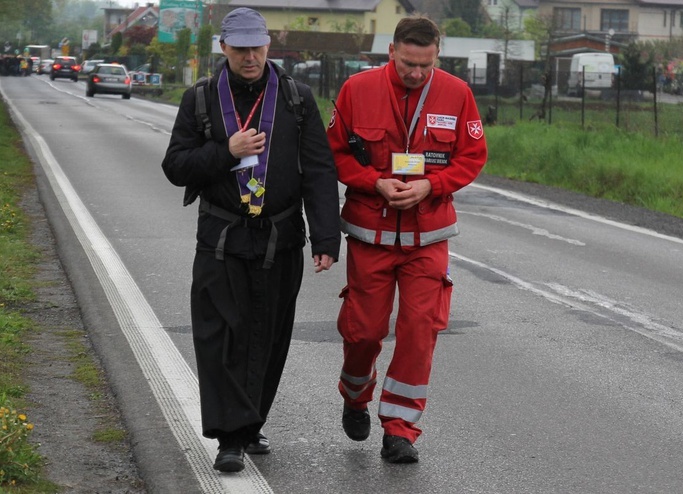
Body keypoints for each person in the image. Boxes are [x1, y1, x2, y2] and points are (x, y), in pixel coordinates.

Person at [161, 7, 341, 473]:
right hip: (221, 237)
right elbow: (175, 166)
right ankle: (230, 437)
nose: (249, 57)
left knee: (269, 334)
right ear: (224, 48)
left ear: (268, 45)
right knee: (220, 335)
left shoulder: (297, 100)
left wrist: (326, 237)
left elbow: (319, 171)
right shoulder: (200, 98)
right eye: (239, 48)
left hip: (280, 238)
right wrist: (227, 152)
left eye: (256, 47)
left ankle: (250, 419)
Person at [327, 15, 487, 463]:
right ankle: (354, 395)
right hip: (370, 234)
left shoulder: (457, 94)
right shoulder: (357, 90)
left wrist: (431, 186)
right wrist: (373, 181)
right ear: (392, 50)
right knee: (365, 331)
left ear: (438, 55)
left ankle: (401, 430)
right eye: (408, 63)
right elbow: (335, 151)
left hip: (428, 235)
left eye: (426, 64)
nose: (416, 73)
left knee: (420, 330)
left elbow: (473, 155)